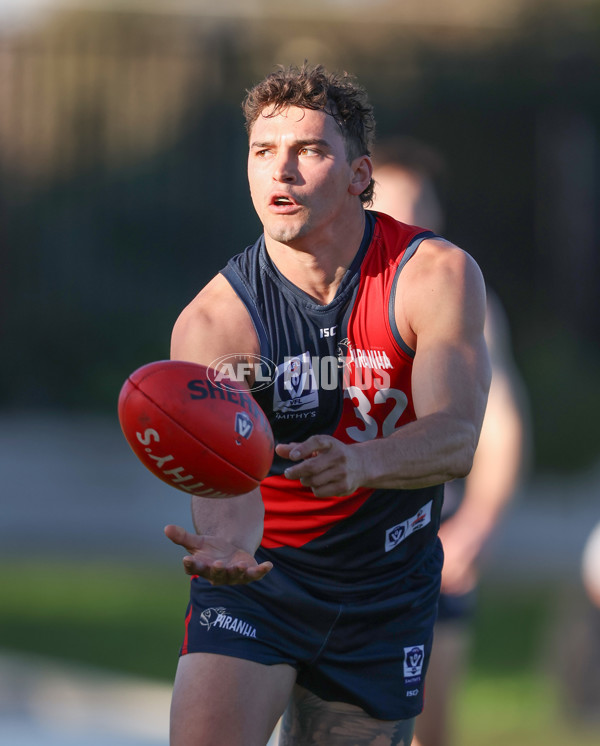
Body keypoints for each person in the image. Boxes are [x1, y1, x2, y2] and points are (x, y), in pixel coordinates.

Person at [163, 64, 491, 746]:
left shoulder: (432, 275)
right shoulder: (216, 324)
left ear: (359, 175)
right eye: (262, 152)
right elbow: (229, 480)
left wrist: (361, 462)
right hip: (263, 578)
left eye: (307, 150)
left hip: (385, 586)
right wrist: (228, 543)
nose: (280, 171)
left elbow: (457, 439)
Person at [372, 136, 527, 746]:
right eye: (393, 207)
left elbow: (504, 425)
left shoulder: (472, 303)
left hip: (431, 542)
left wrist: (476, 528)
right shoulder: (319, 303)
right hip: (335, 547)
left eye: (422, 206)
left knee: (427, 733)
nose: (412, 223)